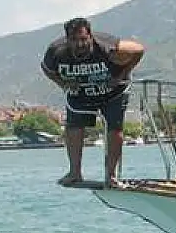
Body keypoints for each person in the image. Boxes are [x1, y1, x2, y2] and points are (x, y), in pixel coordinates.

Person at [41, 17, 145, 188]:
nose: (80, 44)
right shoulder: (56, 51)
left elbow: (139, 50)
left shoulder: (106, 45)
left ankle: (111, 176)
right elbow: (46, 69)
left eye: (84, 39)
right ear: (67, 40)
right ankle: (75, 172)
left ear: (90, 36)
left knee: (114, 128)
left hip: (113, 91)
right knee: (73, 126)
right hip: (80, 91)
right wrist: (63, 83)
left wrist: (120, 76)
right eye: (74, 40)